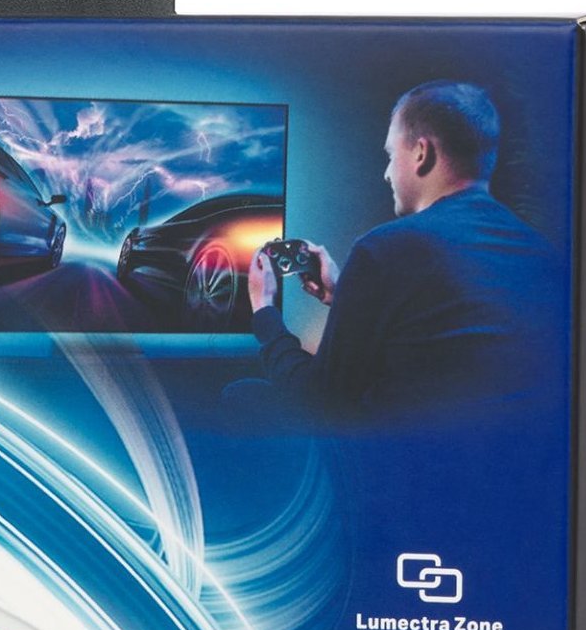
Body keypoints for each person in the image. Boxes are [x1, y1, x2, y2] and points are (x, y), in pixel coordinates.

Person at [230, 81, 562, 425]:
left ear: (421, 153)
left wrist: (264, 310)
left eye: (391, 155)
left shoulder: (385, 250)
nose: (387, 174)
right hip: (510, 449)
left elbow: (319, 403)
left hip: (416, 452)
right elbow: (441, 341)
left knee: (241, 394)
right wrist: (344, 297)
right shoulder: (543, 254)